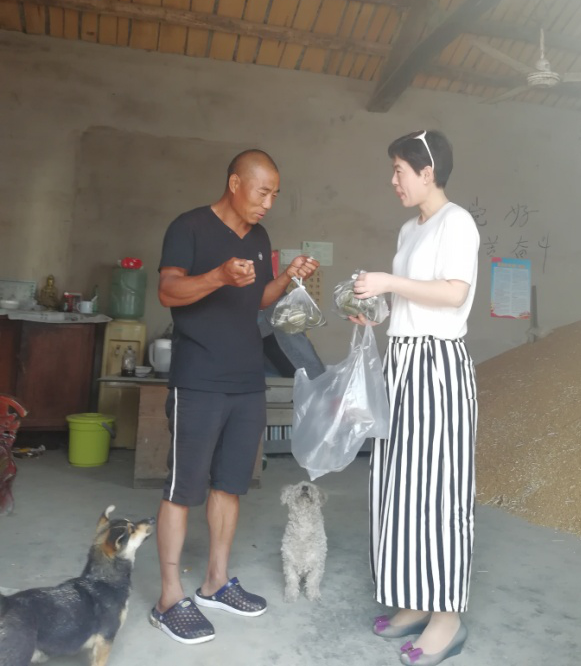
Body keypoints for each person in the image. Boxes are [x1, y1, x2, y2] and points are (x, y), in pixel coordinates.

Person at [150, 149, 318, 645]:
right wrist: (218, 275)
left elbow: (257, 299)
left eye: (275, 195)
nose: (268, 203)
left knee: (229, 485)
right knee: (182, 489)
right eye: (263, 192)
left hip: (247, 380)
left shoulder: (260, 238)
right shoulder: (189, 227)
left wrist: (287, 278)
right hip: (199, 378)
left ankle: (216, 582)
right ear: (235, 183)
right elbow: (168, 291)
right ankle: (168, 598)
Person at [351, 130, 479, 666]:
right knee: (400, 488)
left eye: (400, 170)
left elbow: (453, 293)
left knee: (440, 491)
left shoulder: (458, 222)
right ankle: (414, 599)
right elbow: (408, 301)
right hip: (402, 363)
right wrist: (374, 308)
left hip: (437, 368)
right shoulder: (410, 229)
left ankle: (447, 617)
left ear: (428, 172)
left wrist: (388, 282)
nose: (394, 180)